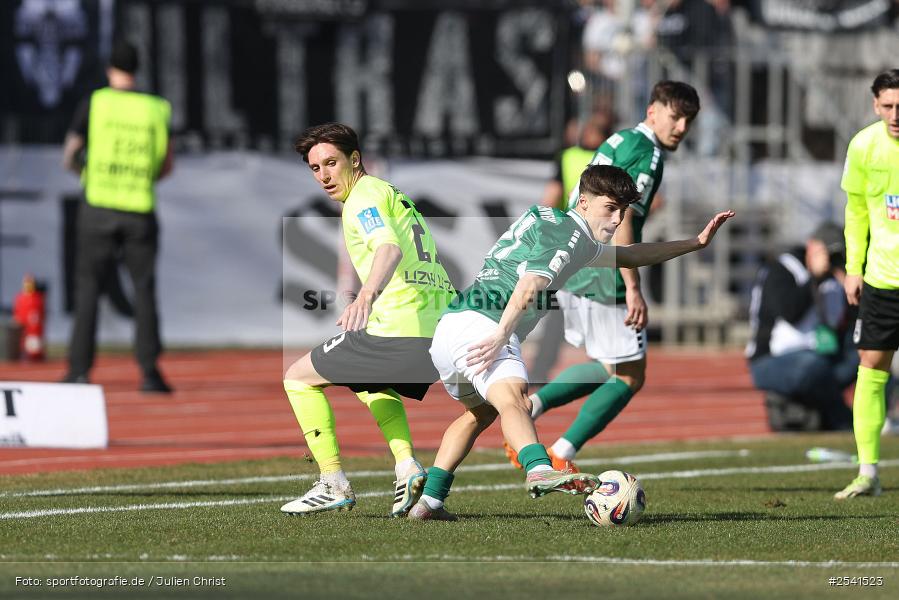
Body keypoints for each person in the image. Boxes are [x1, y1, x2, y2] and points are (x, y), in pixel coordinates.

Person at [408, 164, 734, 520]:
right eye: (609, 208)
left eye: (622, 211)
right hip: (486, 325)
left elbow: (629, 255)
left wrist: (694, 243)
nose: (616, 219)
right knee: (515, 398)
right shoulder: (570, 237)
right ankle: (539, 468)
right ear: (583, 201)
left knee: (480, 412)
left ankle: (430, 502)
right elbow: (529, 283)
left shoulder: (561, 225)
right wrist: (501, 334)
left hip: (452, 327)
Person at [505, 81, 700, 473]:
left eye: (688, 120)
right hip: (602, 267)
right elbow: (619, 216)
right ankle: (562, 451)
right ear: (652, 112)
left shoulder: (623, 140)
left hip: (578, 261)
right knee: (629, 376)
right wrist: (632, 286)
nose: (680, 126)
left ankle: (534, 407)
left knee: (609, 365)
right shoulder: (646, 152)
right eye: (675, 116)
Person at [280, 122, 456, 517]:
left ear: (354, 159)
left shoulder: (363, 198)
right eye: (315, 168)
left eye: (331, 163)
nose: (324, 176)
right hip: (438, 332)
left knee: (297, 377)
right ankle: (407, 464)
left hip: (400, 329)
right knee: (365, 380)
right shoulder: (389, 192)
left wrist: (365, 296)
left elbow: (389, 249)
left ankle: (331, 482)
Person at [61, 40, 174, 393]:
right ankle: (150, 372)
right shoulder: (156, 109)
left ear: (110, 68)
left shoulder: (96, 102)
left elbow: (70, 153)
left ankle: (78, 371)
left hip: (98, 206)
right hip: (139, 209)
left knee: (88, 289)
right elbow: (166, 164)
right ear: (137, 68)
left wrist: (88, 173)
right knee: (144, 290)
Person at [834, 69, 899, 500]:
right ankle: (868, 472)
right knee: (871, 367)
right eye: (889, 106)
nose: (896, 114)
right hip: (882, 278)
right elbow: (855, 213)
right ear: (875, 105)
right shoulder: (864, 146)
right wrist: (853, 267)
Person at [745, 222, 855, 432]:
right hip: (772, 360)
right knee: (812, 366)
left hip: (821, 358)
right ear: (812, 247)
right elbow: (790, 312)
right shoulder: (781, 269)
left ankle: (877, 418)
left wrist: (846, 284)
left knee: (868, 355)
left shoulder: (834, 277)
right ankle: (842, 419)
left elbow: (847, 323)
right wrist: (815, 277)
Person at [530, 111, 612, 384]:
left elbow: (551, 198)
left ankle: (541, 370)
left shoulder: (567, 157)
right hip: (597, 247)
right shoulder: (614, 160)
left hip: (572, 243)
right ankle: (598, 367)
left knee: (560, 310)